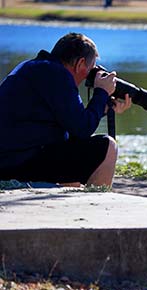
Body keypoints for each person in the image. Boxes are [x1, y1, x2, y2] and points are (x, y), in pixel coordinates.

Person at [0, 32, 132, 188]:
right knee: (108, 147)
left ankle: (68, 205)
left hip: (11, 159)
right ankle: (98, 206)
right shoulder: (58, 74)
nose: (87, 78)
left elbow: (73, 126)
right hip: (18, 164)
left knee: (70, 147)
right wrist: (102, 91)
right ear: (80, 63)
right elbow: (83, 128)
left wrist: (102, 107)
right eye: (90, 70)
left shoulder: (32, 67)